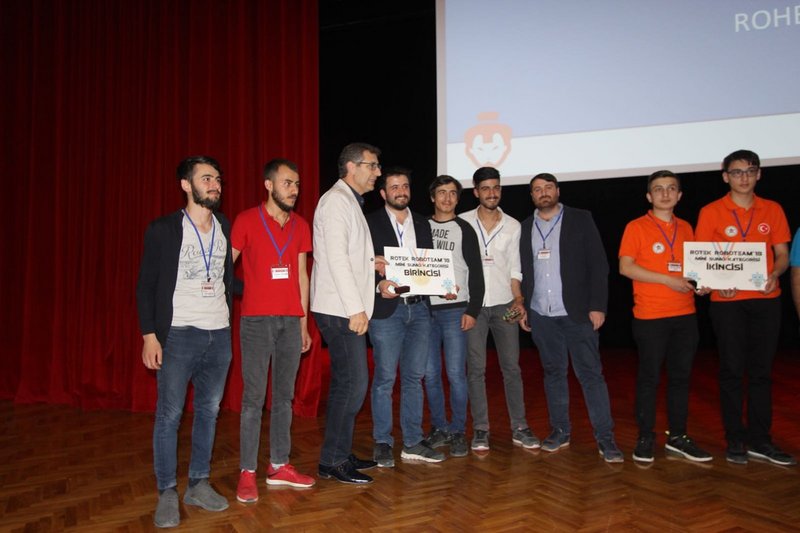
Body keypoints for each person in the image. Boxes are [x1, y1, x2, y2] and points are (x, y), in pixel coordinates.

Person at [136, 156, 234, 528]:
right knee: (169, 415)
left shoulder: (224, 225)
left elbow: (227, 279)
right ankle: (166, 492)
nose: (215, 185)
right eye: (206, 178)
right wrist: (150, 335)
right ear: (185, 184)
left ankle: (198, 484)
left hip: (219, 333)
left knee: (209, 411)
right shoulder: (163, 229)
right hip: (178, 334)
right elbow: (145, 286)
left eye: (218, 179)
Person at [695, 149, 795, 466]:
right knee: (732, 371)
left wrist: (775, 273)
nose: (744, 177)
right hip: (727, 303)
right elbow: (701, 258)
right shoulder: (711, 211)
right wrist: (715, 282)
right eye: (737, 172)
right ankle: (735, 438)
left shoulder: (773, 209)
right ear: (726, 177)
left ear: (759, 174)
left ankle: (761, 440)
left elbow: (782, 254)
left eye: (750, 171)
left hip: (766, 299)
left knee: (762, 373)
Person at [520, 172, 623, 463]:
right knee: (553, 374)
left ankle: (605, 437)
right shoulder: (525, 227)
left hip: (577, 312)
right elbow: (522, 271)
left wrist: (598, 305)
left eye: (548, 187)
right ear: (532, 196)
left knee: (590, 375)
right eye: (537, 189)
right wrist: (523, 307)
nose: (543, 192)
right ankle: (560, 431)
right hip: (541, 314)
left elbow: (598, 264)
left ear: (558, 190)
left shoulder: (580, 218)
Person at [232, 159, 315, 503]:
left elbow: (302, 276)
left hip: (290, 322)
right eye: (287, 183)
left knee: (283, 398)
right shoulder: (246, 220)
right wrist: (246, 292)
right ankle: (247, 471)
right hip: (256, 321)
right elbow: (224, 267)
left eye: (296, 184)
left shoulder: (301, 225)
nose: (294, 190)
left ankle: (279, 465)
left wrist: (304, 323)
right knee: (253, 399)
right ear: (268, 185)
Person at [618, 170, 712, 463]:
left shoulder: (687, 228)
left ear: (679, 195)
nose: (665, 193)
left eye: (671, 188)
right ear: (649, 196)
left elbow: (695, 269)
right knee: (649, 378)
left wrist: (703, 284)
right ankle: (646, 436)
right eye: (658, 189)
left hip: (685, 314)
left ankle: (678, 437)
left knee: (681, 378)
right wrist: (667, 280)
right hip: (650, 315)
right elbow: (625, 267)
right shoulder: (636, 227)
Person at [310, 142, 382, 484]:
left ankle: (339, 453)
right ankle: (332, 461)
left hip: (341, 307)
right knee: (353, 384)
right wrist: (356, 308)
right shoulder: (337, 201)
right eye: (372, 165)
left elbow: (345, 254)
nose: (378, 172)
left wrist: (371, 262)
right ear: (352, 167)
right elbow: (336, 259)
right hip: (340, 309)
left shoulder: (347, 200)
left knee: (347, 383)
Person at [366, 168, 444, 466]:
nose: (401, 191)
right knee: (385, 378)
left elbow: (429, 266)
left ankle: (412, 441)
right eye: (394, 187)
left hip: (420, 308)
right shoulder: (369, 222)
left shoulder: (422, 223)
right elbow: (359, 262)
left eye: (405, 186)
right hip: (387, 310)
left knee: (414, 377)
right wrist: (378, 282)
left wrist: (443, 285)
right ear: (383, 193)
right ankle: (382, 441)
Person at [460, 167, 539, 452]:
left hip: (506, 305)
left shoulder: (513, 225)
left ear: (500, 190)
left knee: (512, 368)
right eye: (485, 188)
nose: (491, 193)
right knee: (475, 370)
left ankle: (520, 426)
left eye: (496, 188)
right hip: (474, 307)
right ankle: (481, 429)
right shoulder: (462, 222)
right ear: (476, 192)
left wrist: (519, 300)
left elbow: (516, 269)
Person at [424, 175, 484, 458]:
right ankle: (440, 427)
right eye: (441, 193)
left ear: (458, 199)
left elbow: (477, 274)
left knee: (456, 374)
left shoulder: (465, 229)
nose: (447, 198)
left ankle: (458, 430)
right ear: (432, 197)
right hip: (424, 311)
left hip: (455, 310)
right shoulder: (420, 226)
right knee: (430, 375)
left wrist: (472, 310)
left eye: (452, 193)